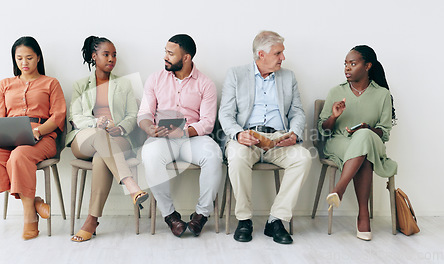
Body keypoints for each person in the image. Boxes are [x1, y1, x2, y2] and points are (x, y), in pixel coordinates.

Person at [219, 31, 312, 244]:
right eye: (278, 53)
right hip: (247, 135)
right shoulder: (236, 74)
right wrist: (238, 134)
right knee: (237, 156)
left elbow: (297, 111)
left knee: (304, 158)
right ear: (261, 54)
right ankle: (244, 219)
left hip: (279, 138)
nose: (283, 58)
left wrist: (295, 134)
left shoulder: (288, 77)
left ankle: (276, 220)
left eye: (282, 53)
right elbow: (225, 113)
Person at [0, 36, 66, 240]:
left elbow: (58, 116)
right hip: (9, 135)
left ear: (38, 58)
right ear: (14, 60)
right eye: (19, 58)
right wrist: (4, 132)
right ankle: (33, 202)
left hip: (42, 136)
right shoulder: (4, 84)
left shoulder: (51, 83)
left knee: (19, 156)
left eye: (29, 57)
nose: (24, 63)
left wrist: (38, 131)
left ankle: (30, 217)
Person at [138, 34, 223, 237]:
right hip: (162, 138)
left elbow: (208, 122)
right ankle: (170, 215)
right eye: (165, 52)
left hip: (193, 138)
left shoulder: (205, 83)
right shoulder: (155, 79)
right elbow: (144, 113)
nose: (165, 57)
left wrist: (184, 132)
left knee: (213, 154)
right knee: (149, 156)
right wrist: (149, 128)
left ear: (186, 58)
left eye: (170, 53)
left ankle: (201, 215)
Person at [67, 36, 148, 242]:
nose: (111, 58)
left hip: (116, 138)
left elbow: (133, 115)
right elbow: (75, 117)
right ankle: (130, 185)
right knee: (99, 137)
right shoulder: (80, 85)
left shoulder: (124, 84)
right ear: (94, 57)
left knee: (101, 157)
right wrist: (95, 124)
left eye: (114, 55)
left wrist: (120, 128)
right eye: (106, 54)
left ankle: (91, 220)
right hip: (85, 137)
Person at [319, 45, 397, 241]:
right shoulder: (336, 91)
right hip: (338, 143)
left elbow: (384, 132)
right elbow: (323, 129)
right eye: (345, 64)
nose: (347, 68)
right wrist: (334, 117)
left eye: (353, 64)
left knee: (363, 138)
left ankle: (339, 189)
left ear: (368, 66)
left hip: (372, 141)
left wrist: (367, 130)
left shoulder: (382, 95)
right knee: (364, 154)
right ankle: (363, 215)